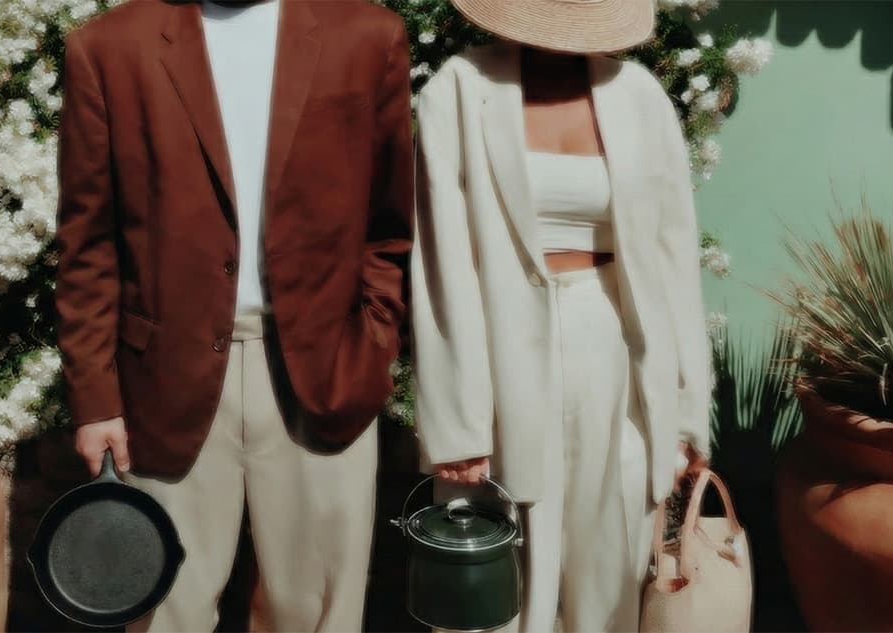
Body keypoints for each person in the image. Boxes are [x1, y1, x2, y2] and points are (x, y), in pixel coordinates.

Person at [52, 0, 413, 629]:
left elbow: (390, 227)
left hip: (324, 370)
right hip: (165, 376)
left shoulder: (366, 35)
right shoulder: (109, 47)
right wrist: (96, 397)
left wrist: (373, 340)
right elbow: (87, 246)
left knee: (320, 611)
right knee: (166, 607)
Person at [410, 0, 714, 630]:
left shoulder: (639, 96)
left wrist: (686, 413)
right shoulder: (460, 90)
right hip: (493, 350)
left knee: (613, 560)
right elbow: (442, 262)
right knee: (498, 582)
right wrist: (457, 423)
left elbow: (672, 258)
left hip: (616, 347)